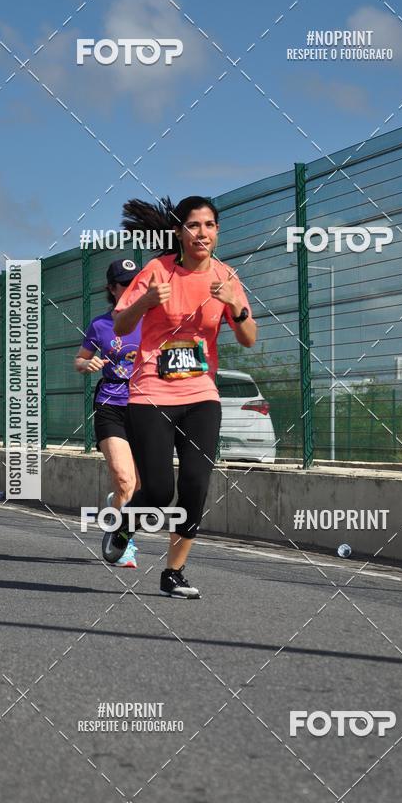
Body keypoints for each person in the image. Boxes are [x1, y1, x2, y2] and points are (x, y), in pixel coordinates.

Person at [102, 195, 257, 598]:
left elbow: (249, 338)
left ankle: (173, 572)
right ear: (179, 232)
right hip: (151, 391)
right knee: (155, 491)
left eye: (209, 225)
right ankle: (123, 525)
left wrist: (235, 306)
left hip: (201, 394)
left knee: (194, 484)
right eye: (193, 226)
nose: (202, 233)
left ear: (217, 231)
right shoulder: (157, 271)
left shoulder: (226, 277)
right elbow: (120, 324)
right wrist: (148, 302)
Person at [75, 259, 142, 567]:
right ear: (111, 289)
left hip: (146, 407)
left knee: (141, 487)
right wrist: (86, 365)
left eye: (136, 283)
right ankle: (124, 543)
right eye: (124, 285)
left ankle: (114, 506)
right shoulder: (100, 325)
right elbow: (80, 360)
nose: (131, 290)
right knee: (125, 480)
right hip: (110, 404)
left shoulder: (154, 320)